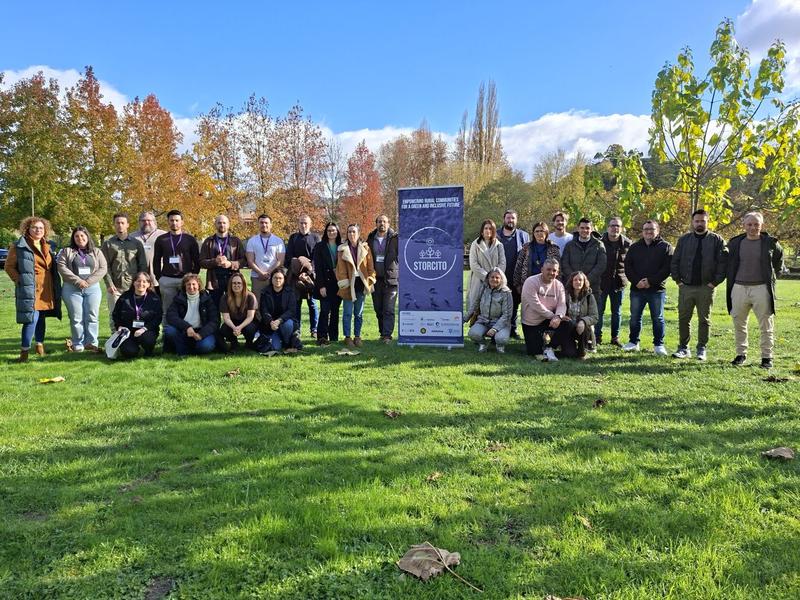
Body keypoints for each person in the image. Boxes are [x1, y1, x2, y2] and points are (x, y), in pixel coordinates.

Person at [726, 212, 784, 369]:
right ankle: (741, 354)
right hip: (738, 288)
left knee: (766, 324)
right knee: (739, 322)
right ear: (744, 225)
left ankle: (767, 357)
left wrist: (771, 279)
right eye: (749, 224)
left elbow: (779, 263)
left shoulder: (771, 243)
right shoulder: (735, 243)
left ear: (762, 225)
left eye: (756, 224)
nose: (753, 227)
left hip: (761, 289)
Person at [670, 209, 728, 361]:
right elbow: (675, 261)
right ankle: (683, 348)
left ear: (708, 221)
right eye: (697, 221)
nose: (699, 223)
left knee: (704, 320)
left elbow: (723, 264)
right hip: (686, 286)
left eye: (703, 221)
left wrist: (714, 282)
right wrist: (678, 281)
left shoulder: (717, 240)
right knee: (684, 318)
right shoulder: (684, 240)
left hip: (706, 287)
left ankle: (701, 348)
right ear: (692, 222)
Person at [4, 216, 62, 362]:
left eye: (41, 228)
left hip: (46, 288)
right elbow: (9, 267)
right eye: (35, 227)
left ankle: (40, 346)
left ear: (45, 230)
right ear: (27, 228)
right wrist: (20, 280)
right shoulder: (19, 245)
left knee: (41, 317)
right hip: (30, 288)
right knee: (31, 319)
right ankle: (24, 352)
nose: (38, 230)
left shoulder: (49, 245)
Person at [622, 221, 673, 356]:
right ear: (642, 231)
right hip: (637, 289)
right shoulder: (635, 247)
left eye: (651, 229)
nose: (648, 232)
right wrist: (636, 281)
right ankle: (633, 342)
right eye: (646, 229)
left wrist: (650, 281)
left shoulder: (666, 247)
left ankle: (658, 345)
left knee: (657, 318)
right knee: (635, 317)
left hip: (656, 290)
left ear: (658, 230)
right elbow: (628, 266)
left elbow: (666, 269)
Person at [57, 226, 108, 353]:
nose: (80, 238)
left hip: (92, 288)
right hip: (72, 289)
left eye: (82, 235)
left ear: (87, 237)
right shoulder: (66, 251)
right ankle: (78, 343)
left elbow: (103, 268)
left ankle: (91, 342)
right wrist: (78, 281)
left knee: (92, 316)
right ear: (73, 238)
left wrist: (88, 282)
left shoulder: (96, 251)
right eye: (77, 236)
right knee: (76, 317)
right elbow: (62, 267)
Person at [101, 212, 147, 333]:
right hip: (115, 286)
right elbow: (105, 266)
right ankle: (114, 340)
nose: (120, 225)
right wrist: (109, 284)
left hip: (133, 286)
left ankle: (132, 338)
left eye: (122, 223)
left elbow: (142, 265)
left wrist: (141, 284)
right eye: (117, 223)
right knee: (114, 315)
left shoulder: (136, 243)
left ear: (127, 225)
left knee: (134, 313)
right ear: (114, 225)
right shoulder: (108, 244)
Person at [153, 209, 200, 322]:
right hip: (167, 279)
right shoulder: (161, 239)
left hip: (186, 280)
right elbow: (156, 260)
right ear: (168, 222)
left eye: (177, 220)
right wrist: (160, 278)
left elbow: (196, 260)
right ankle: (166, 334)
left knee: (188, 308)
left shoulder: (189, 239)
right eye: (171, 220)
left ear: (182, 222)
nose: (174, 223)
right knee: (167, 309)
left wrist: (192, 276)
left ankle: (186, 332)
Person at [520, 258, 569, 361]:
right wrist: (553, 316)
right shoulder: (531, 282)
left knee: (568, 323)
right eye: (548, 269)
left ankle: (550, 347)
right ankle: (540, 344)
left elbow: (562, 304)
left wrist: (559, 316)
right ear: (542, 269)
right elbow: (536, 305)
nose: (551, 272)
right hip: (532, 322)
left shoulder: (559, 285)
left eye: (554, 270)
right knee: (534, 351)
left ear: (558, 272)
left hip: (550, 319)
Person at [336, 223, 376, 348]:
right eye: (349, 232)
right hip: (348, 284)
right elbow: (340, 269)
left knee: (358, 313)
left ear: (358, 234)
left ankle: (357, 336)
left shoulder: (366, 248)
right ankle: (347, 337)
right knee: (347, 312)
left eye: (354, 232)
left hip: (361, 284)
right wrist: (344, 282)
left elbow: (370, 267)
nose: (351, 234)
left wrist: (370, 279)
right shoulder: (342, 249)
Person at [164, 273, 219, 356]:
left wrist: (201, 334)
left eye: (194, 284)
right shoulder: (178, 298)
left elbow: (215, 321)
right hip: (184, 331)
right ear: (184, 286)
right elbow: (171, 316)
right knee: (169, 330)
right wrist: (187, 327)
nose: (191, 287)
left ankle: (191, 348)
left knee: (206, 346)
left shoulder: (207, 299)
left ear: (199, 285)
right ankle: (183, 351)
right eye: (188, 284)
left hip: (201, 331)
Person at [596, 216, 631, 346]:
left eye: (617, 226)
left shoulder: (627, 244)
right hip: (602, 283)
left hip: (619, 283)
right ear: (608, 227)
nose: (615, 228)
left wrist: (627, 279)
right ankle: (597, 337)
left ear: (621, 228)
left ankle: (615, 338)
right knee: (599, 311)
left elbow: (630, 263)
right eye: (612, 225)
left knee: (617, 312)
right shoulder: (599, 242)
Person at [110, 271, 162, 359]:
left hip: (146, 330)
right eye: (138, 281)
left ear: (149, 284)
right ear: (134, 283)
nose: (141, 284)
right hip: (128, 331)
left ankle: (148, 351)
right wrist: (119, 326)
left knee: (148, 340)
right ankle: (132, 348)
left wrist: (144, 329)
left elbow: (158, 318)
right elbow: (116, 314)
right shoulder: (124, 297)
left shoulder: (154, 298)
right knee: (128, 352)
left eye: (144, 281)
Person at [285, 214, 321, 337]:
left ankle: (314, 330)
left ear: (310, 224)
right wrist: (298, 270)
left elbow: (318, 257)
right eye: (301, 223)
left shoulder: (316, 238)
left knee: (313, 303)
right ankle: (297, 329)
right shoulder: (293, 238)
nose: (303, 225)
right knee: (297, 304)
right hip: (296, 276)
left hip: (311, 275)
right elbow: (289, 257)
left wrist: (309, 271)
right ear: (298, 224)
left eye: (306, 223)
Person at [496, 209, 530, 339]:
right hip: (499, 277)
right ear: (504, 219)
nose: (510, 220)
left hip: (516, 277)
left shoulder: (524, 236)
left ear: (517, 220)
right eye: (508, 218)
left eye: (513, 218)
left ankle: (512, 330)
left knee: (515, 305)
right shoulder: (497, 234)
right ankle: (498, 330)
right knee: (499, 306)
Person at [199, 214, 245, 308]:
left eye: (224, 223)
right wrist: (215, 261)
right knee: (214, 307)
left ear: (228, 225)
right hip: (214, 279)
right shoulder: (208, 241)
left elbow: (244, 260)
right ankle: (215, 323)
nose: (222, 225)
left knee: (234, 306)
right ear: (215, 224)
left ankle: (232, 323)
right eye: (219, 223)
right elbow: (201, 261)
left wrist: (230, 264)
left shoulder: (236, 241)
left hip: (232, 277)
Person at [366, 214, 399, 343]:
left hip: (391, 279)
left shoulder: (395, 238)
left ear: (388, 223)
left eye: (384, 221)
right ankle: (382, 333)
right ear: (376, 223)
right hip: (375, 280)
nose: (382, 224)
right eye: (380, 221)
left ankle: (387, 335)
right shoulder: (370, 238)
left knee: (389, 309)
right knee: (378, 308)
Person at [560, 218, 606, 308]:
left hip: (592, 287)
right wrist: (574, 279)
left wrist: (585, 281)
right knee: (571, 317)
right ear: (578, 228)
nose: (585, 230)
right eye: (582, 228)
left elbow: (601, 265)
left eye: (587, 228)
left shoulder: (599, 245)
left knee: (593, 317)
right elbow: (564, 263)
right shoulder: (570, 245)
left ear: (592, 229)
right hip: (572, 288)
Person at [466, 267, 513, 353]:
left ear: (501, 279)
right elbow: (475, 305)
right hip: (483, 321)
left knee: (501, 339)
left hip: (500, 323)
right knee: (473, 333)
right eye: (492, 277)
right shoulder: (483, 288)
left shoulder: (506, 292)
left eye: (497, 277)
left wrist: (495, 328)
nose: (494, 279)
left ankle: (500, 345)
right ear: (488, 278)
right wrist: (465, 318)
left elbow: (507, 315)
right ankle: (483, 344)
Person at [258, 268, 302, 353]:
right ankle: (278, 340)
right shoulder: (265, 292)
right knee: (276, 347)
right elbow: (264, 310)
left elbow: (291, 311)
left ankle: (287, 342)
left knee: (287, 325)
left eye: (280, 278)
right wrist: (271, 322)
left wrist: (279, 320)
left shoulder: (290, 291)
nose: (278, 280)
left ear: (284, 279)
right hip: (271, 325)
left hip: (285, 322)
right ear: (271, 279)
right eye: (275, 278)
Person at [312, 222, 342, 345]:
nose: (331, 233)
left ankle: (334, 336)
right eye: (329, 230)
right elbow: (318, 268)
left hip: (338, 283)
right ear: (326, 232)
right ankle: (322, 336)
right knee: (325, 310)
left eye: (334, 230)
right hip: (325, 283)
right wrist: (321, 286)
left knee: (335, 310)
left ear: (337, 232)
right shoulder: (320, 246)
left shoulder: (342, 245)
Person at [467, 219, 506, 311]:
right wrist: (487, 277)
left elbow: (502, 263)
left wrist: (494, 278)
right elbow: (473, 264)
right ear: (482, 231)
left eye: (490, 228)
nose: (488, 230)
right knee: (476, 311)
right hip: (479, 281)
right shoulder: (475, 244)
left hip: (495, 282)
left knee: (493, 310)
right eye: (486, 228)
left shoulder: (499, 245)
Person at [246, 214, 285, 300]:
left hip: (274, 277)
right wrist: (260, 273)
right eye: (261, 223)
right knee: (257, 303)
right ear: (258, 224)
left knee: (274, 302)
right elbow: (250, 261)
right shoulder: (252, 241)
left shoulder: (278, 241)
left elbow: (280, 260)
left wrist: (268, 273)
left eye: (266, 223)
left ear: (271, 224)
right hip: (257, 277)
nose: (264, 225)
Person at [217, 272, 259, 352]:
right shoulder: (225, 297)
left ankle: (249, 343)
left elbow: (250, 317)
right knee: (224, 328)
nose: (236, 285)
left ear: (243, 284)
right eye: (234, 283)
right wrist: (234, 328)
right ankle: (234, 343)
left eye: (239, 283)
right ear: (230, 285)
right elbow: (226, 318)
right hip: (232, 322)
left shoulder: (251, 297)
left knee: (250, 329)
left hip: (248, 322)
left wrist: (239, 327)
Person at [513, 222, 561, 292]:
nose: (539, 233)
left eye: (542, 231)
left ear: (546, 232)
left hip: (548, 285)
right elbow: (519, 266)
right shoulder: (526, 247)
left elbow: (558, 269)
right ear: (533, 233)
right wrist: (517, 285)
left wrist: (557, 286)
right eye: (537, 231)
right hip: (528, 284)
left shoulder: (553, 248)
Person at [561, 271, 599, 359]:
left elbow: (595, 316)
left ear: (584, 282)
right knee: (569, 354)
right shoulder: (565, 295)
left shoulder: (589, 296)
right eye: (575, 280)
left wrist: (583, 321)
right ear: (571, 282)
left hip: (582, 329)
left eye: (580, 280)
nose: (578, 282)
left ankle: (583, 351)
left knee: (585, 326)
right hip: (569, 327)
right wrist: (562, 316)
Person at [130, 211, 167, 292]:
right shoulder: (132, 237)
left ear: (154, 222)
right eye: (143, 220)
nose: (146, 222)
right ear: (139, 222)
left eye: (149, 220)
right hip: (138, 279)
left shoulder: (164, 236)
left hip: (158, 278)